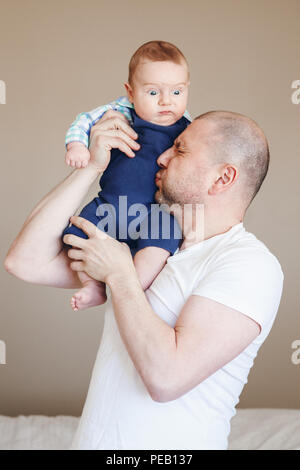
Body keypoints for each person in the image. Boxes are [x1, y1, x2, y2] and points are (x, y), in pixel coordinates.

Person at [4, 109, 284, 450]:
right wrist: (92, 167)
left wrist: (120, 276)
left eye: (180, 149)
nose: (161, 156)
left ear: (223, 178)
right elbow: (24, 261)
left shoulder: (248, 264)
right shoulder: (145, 242)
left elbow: (167, 378)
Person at [62, 40, 191, 311]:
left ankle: (134, 285)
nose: (167, 101)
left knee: (164, 235)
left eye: (177, 91)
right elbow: (84, 120)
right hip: (108, 204)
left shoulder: (189, 127)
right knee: (73, 236)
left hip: (156, 211)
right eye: (153, 92)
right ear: (130, 92)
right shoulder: (121, 112)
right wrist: (76, 145)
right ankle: (94, 287)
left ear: (187, 89)